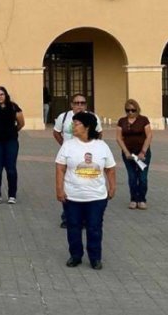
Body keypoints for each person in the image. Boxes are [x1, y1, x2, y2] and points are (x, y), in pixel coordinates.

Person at [55, 112, 116, 270]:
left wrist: (112, 187)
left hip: (96, 197)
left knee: (94, 228)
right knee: (73, 227)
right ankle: (75, 256)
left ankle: (95, 258)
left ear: (87, 126)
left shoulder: (101, 146)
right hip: (72, 196)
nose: (72, 127)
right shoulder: (68, 146)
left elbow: (110, 169)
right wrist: (59, 189)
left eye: (76, 124)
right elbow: (60, 169)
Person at [52, 93, 103, 228]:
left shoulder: (93, 117)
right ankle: (67, 217)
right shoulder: (64, 117)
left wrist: (94, 147)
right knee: (68, 184)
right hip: (69, 156)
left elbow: (99, 133)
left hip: (87, 156)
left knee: (85, 183)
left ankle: (86, 218)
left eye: (82, 103)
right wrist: (64, 145)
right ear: (71, 105)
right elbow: (56, 132)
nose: (79, 105)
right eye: (76, 103)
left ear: (86, 105)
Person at [115, 99, 153, 210]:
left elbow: (149, 136)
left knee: (142, 177)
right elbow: (118, 137)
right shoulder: (122, 121)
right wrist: (126, 152)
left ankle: (141, 199)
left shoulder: (143, 120)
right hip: (128, 153)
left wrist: (143, 152)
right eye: (128, 110)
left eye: (133, 110)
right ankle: (133, 199)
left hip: (142, 153)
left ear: (137, 109)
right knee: (132, 177)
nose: (130, 113)